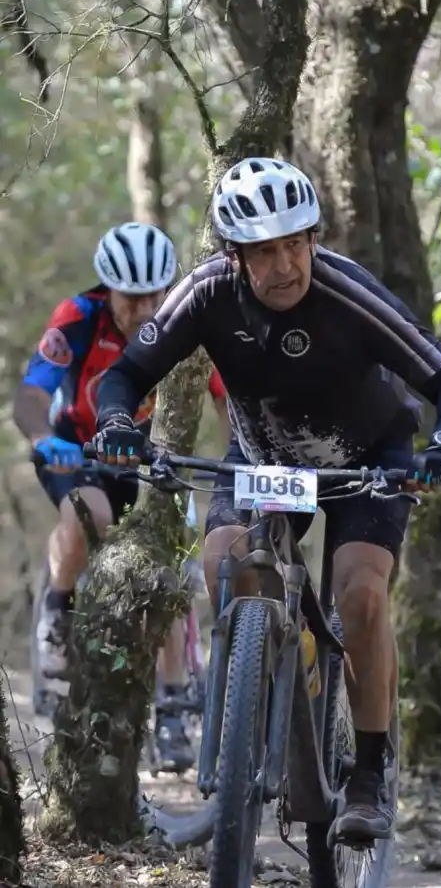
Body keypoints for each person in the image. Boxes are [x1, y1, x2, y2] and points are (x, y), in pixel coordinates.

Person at [92, 159, 441, 843]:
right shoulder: (206, 293)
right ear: (234, 256)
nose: (285, 266)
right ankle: (269, 684)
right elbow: (124, 375)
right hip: (264, 456)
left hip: (368, 459)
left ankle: (368, 774)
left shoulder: (346, 292)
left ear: (312, 239)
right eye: (265, 251)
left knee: (361, 595)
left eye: (295, 244)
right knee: (224, 560)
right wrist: (119, 424)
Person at [13, 221, 226, 773]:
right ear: (108, 289)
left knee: (169, 565)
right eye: (133, 298)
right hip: (77, 452)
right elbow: (32, 393)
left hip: (150, 463)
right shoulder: (78, 317)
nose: (146, 308)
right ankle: (57, 610)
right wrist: (43, 439)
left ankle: (174, 705)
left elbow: (228, 401)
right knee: (93, 513)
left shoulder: (186, 325)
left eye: (156, 294)